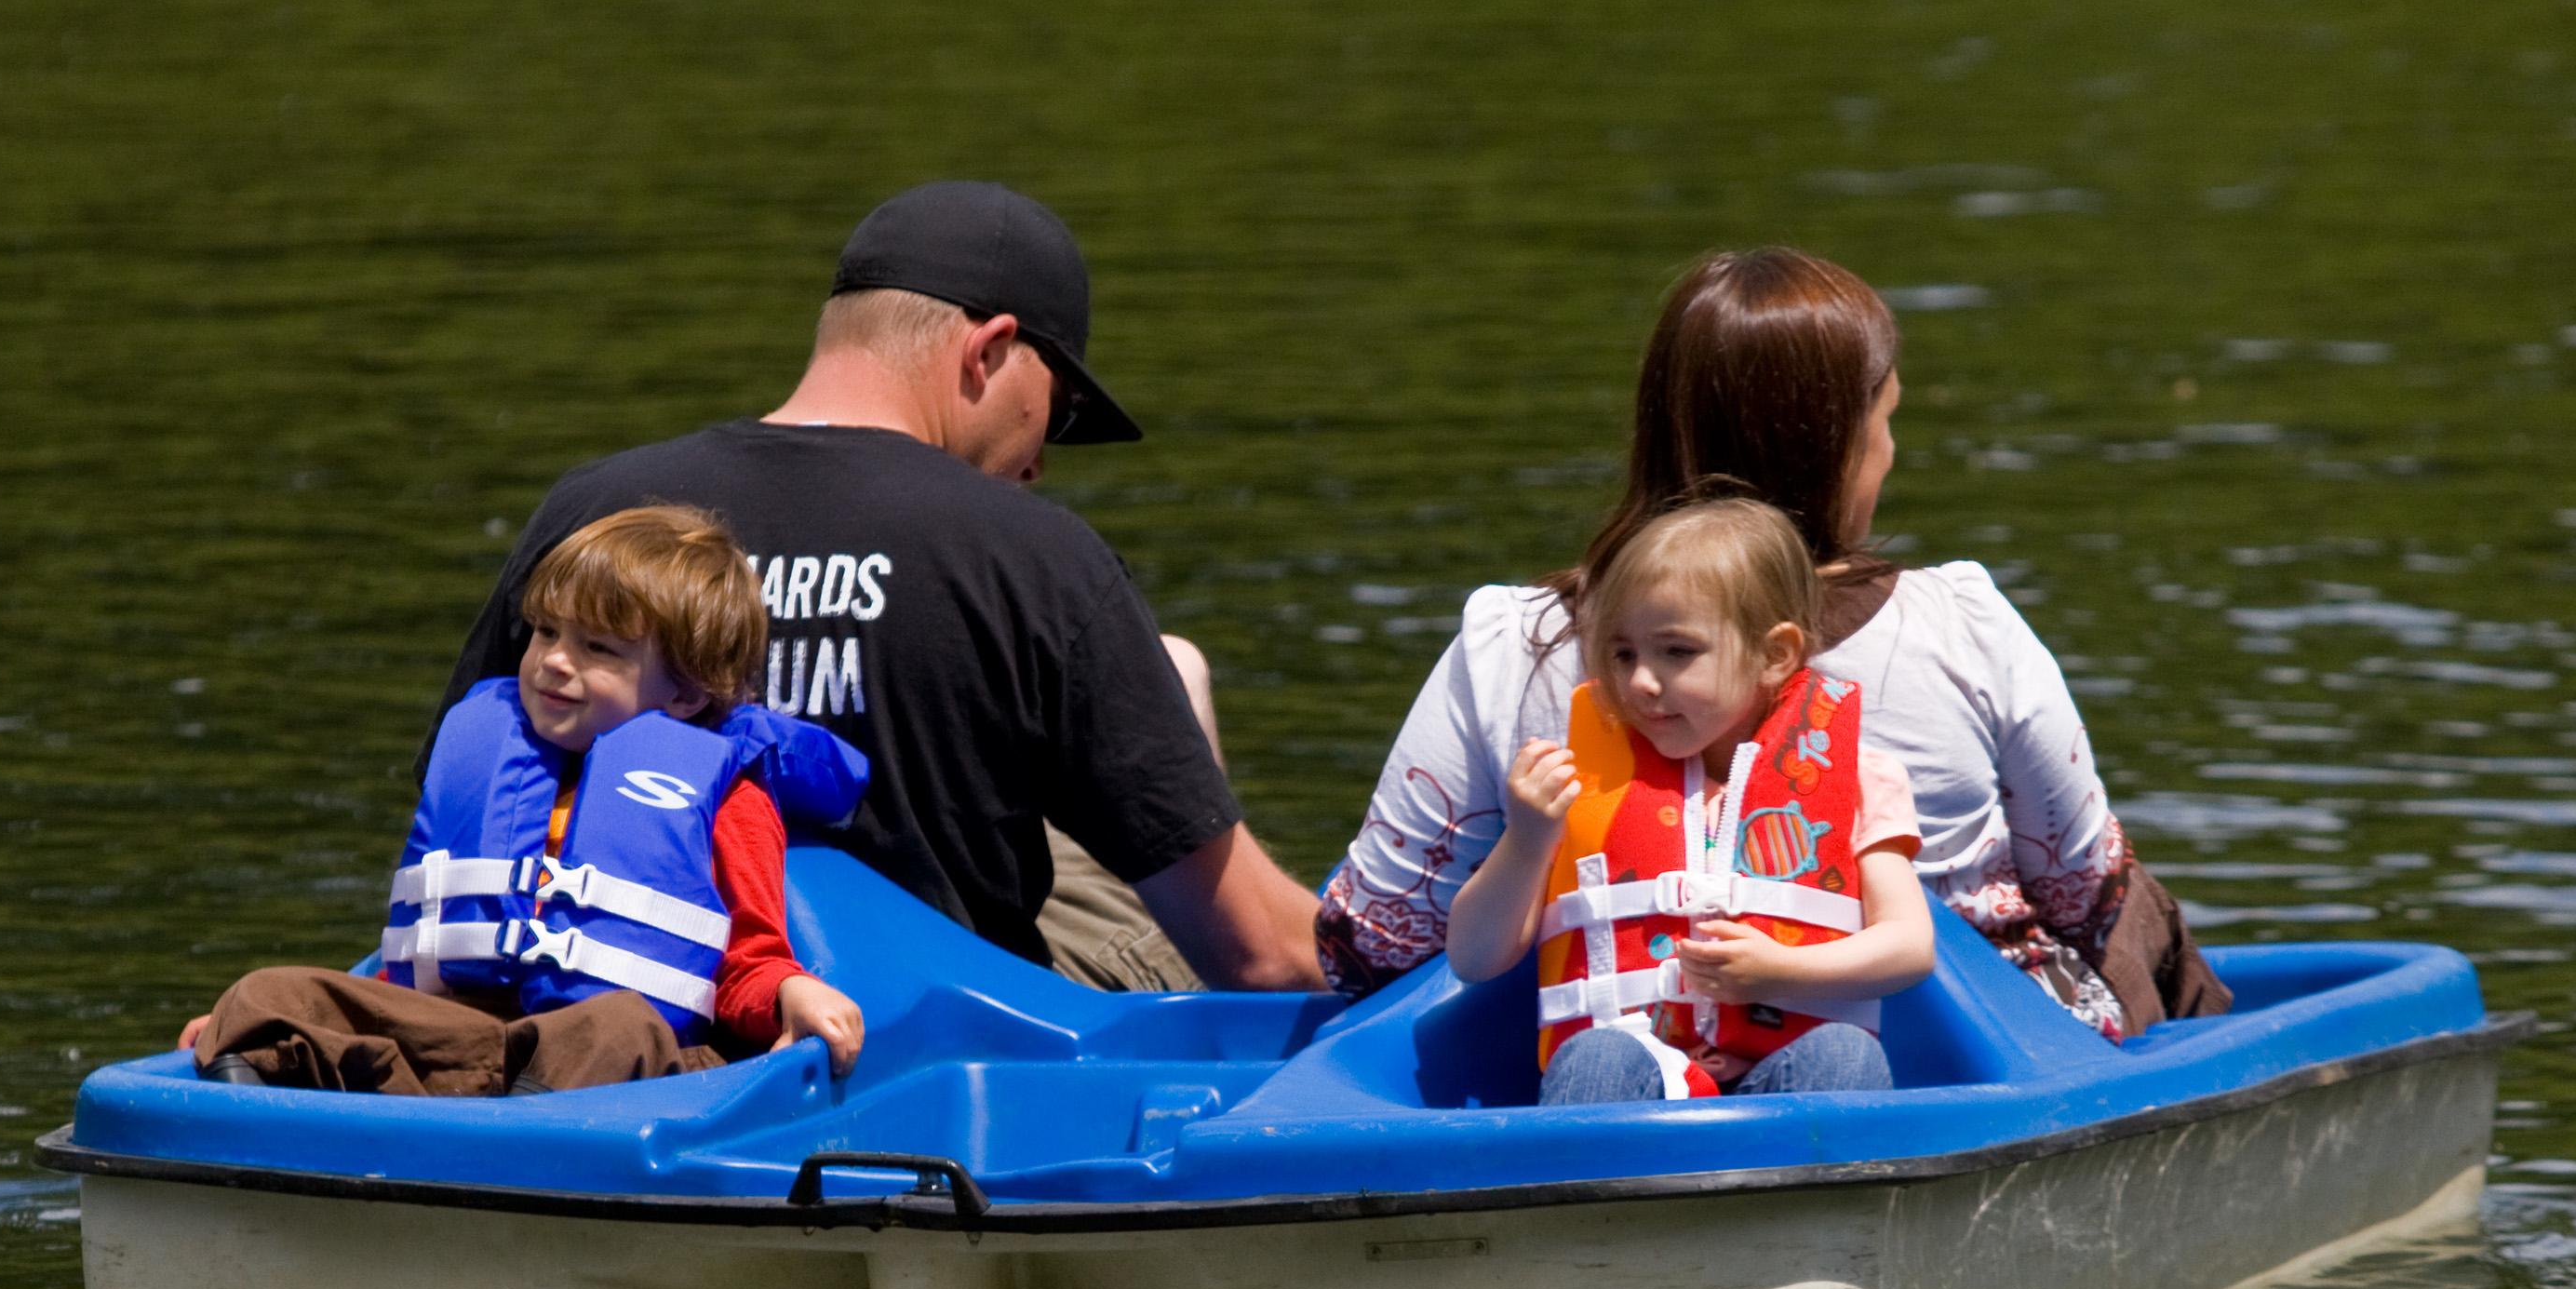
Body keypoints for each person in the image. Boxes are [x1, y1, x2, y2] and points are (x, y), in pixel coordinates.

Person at [428, 181, 1322, 993]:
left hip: (645, 993)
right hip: (956, 1039)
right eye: (1062, 408)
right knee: (1176, 675)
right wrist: (1437, 942)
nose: (1042, 460)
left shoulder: (593, 510)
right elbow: (1258, 957)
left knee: (1164, 674)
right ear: (992, 349)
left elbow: (464, 809)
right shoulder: (1036, 558)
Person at [1322, 247, 2228, 1041]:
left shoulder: (1512, 643)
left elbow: (1373, 945)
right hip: (1962, 1066)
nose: (1890, 451)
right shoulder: (1963, 626)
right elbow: (2089, 898)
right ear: (1837, 443)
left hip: (1605, 1061)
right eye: (1887, 421)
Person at [181, 506, 870, 1095]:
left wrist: (789, 993)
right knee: (266, 994)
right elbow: (408, 965)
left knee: (619, 1024)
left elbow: (749, 959)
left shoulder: (727, 794)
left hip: (620, 1068)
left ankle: (516, 1137)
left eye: (597, 647)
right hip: (456, 1044)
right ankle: (255, 1081)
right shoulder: (493, 751)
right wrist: (295, 1021)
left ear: (685, 694)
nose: (554, 661)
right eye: (546, 632)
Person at [1451, 498, 1933, 1103]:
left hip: (1781, 1078)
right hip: (1633, 1069)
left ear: (1774, 654)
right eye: (1623, 653)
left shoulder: (1861, 780)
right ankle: (1599, 1191)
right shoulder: (1575, 785)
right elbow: (1473, 958)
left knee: (1845, 1053)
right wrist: (1526, 840)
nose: (1641, 682)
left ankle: (1815, 1195)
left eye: (1677, 652)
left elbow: (1910, 946)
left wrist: (1782, 970)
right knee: (1598, 1057)